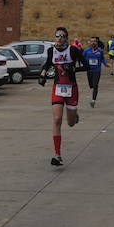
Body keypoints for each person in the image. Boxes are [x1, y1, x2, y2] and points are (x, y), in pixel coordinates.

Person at [39, 26, 87, 167]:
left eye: (62, 36)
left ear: (66, 38)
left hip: (71, 88)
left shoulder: (73, 50)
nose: (59, 38)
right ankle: (57, 154)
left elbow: (86, 66)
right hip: (58, 88)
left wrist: (73, 69)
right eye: (57, 36)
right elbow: (47, 65)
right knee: (57, 118)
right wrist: (42, 76)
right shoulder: (51, 51)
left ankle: (75, 115)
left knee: (70, 123)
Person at [82, 36, 108, 107]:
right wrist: (82, 64)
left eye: (95, 41)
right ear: (90, 42)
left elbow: (102, 59)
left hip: (97, 70)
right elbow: (82, 58)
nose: (93, 42)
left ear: (97, 42)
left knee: (95, 85)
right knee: (91, 85)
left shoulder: (100, 51)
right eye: (92, 41)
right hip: (89, 70)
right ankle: (92, 87)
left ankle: (93, 100)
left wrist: (106, 64)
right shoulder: (86, 51)